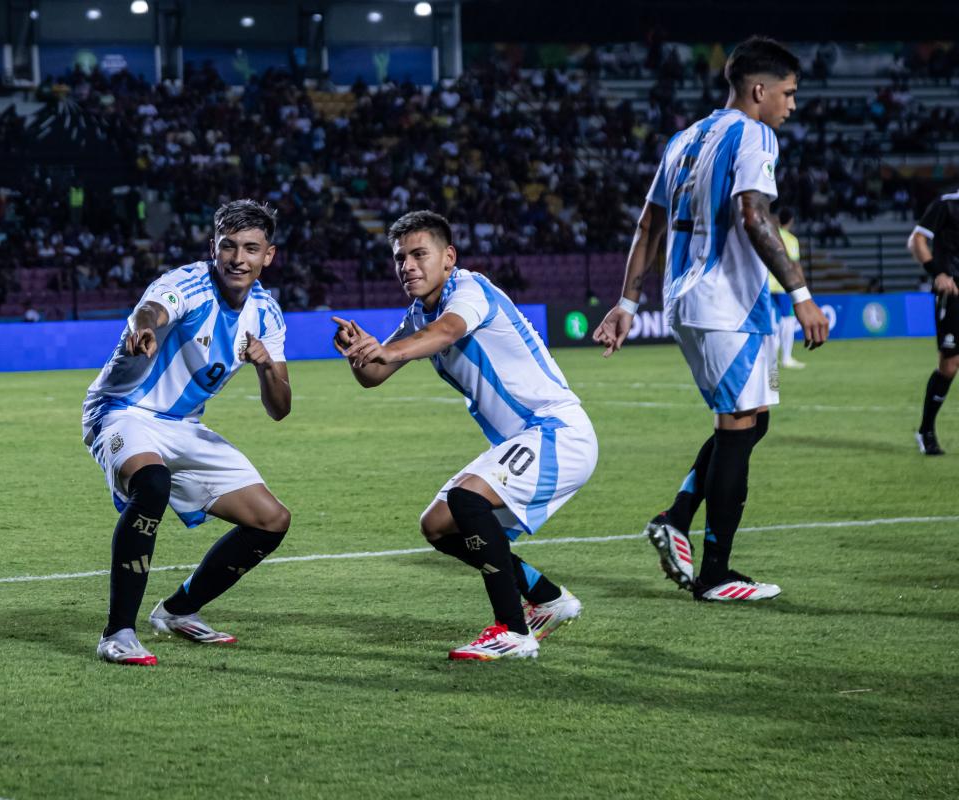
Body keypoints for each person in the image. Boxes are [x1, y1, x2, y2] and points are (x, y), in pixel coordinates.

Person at [592, 36, 829, 603]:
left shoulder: (684, 139)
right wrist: (800, 292)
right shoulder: (754, 135)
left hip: (687, 301)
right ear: (759, 90)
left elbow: (647, 224)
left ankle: (676, 519)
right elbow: (754, 214)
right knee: (739, 429)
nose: (792, 106)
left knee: (749, 423)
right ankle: (715, 574)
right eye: (789, 94)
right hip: (726, 304)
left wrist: (628, 303)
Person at [334, 210, 597, 661]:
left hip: (556, 432)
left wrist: (388, 347)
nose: (408, 266)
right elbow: (375, 376)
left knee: (467, 499)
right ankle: (549, 599)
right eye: (400, 258)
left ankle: (512, 630)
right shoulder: (419, 312)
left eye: (419, 254)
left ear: (448, 257)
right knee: (437, 525)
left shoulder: (469, 291)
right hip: (525, 441)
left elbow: (448, 332)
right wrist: (360, 353)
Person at [83, 200, 292, 666]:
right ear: (213, 248)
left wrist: (265, 369)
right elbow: (153, 310)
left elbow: (280, 408)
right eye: (229, 246)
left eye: (251, 248)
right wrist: (146, 331)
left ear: (268, 256)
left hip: (182, 427)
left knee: (271, 520)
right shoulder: (187, 283)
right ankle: (118, 633)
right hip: (122, 411)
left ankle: (177, 610)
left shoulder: (267, 314)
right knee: (152, 484)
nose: (238, 258)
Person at [907, 187, 959, 455]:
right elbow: (916, 241)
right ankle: (925, 430)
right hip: (953, 294)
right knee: (949, 365)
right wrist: (938, 273)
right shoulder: (947, 204)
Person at [773, 208, 806, 368]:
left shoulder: (769, 234)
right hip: (782, 286)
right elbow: (795, 265)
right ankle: (786, 358)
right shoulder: (791, 240)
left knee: (772, 322)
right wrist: (802, 286)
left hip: (765, 286)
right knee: (788, 321)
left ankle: (770, 357)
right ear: (791, 221)